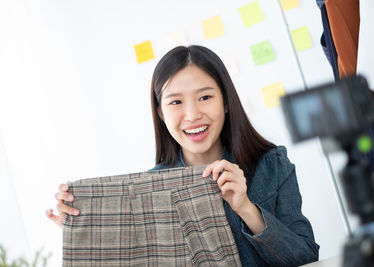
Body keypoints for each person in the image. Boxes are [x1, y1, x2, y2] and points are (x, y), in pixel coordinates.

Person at [46, 45, 319, 266]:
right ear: (161, 113)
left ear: (225, 101)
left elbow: (307, 258)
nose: (192, 115)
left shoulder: (272, 165)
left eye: (205, 97)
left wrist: (247, 209)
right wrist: (84, 233)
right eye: (176, 102)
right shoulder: (144, 194)